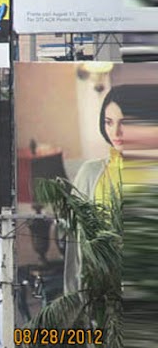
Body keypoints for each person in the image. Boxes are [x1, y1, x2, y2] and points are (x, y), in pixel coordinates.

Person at [64, 84, 137, 293]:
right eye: (109, 122)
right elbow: (75, 245)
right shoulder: (90, 173)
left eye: (125, 122)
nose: (116, 132)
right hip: (101, 292)